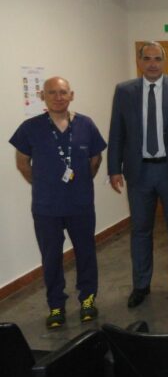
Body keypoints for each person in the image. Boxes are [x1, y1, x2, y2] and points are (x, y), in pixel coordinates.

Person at [107, 41, 168, 308]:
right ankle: (141, 285)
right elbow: (117, 131)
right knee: (140, 230)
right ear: (139, 61)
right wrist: (114, 168)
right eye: (147, 58)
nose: (152, 63)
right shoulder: (124, 91)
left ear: (164, 61)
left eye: (157, 59)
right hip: (139, 173)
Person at [10, 77, 106, 329]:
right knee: (51, 257)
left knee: (86, 253)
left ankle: (87, 299)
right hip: (46, 207)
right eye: (52, 92)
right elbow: (22, 163)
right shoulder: (30, 127)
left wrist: (80, 183)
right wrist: (43, 185)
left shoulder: (86, 124)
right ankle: (56, 305)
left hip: (80, 204)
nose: (58, 97)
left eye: (63, 92)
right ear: (42, 96)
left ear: (71, 95)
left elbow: (95, 159)